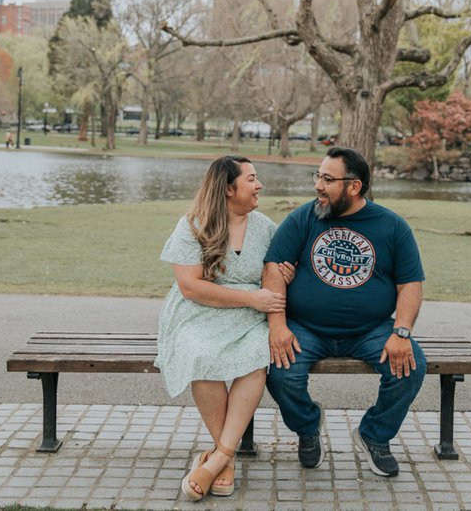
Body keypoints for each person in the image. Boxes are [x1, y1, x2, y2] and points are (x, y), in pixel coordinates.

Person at [261, 146, 426, 478]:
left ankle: (374, 435)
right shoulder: (303, 218)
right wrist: (277, 326)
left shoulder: (392, 226)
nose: (318, 185)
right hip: (307, 328)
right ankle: (308, 427)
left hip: (371, 329)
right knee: (281, 375)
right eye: (317, 176)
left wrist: (401, 332)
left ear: (354, 186)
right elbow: (273, 270)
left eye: (327, 179)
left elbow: (410, 284)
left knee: (410, 368)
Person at [155, 155, 293, 502]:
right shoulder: (193, 225)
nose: (259, 185)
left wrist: (286, 274)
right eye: (251, 179)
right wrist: (251, 299)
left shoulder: (265, 227)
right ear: (229, 189)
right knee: (200, 354)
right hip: (198, 312)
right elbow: (190, 287)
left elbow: (281, 269)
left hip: (248, 317)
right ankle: (225, 458)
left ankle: (216, 459)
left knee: (255, 356)